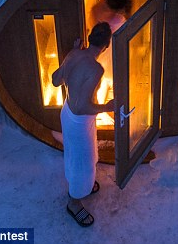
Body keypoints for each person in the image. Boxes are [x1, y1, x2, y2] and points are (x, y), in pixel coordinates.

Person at [51, 22, 115, 227]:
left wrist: (71, 55)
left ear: (89, 38)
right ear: (106, 46)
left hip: (67, 113)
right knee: (83, 163)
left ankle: (83, 185)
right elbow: (82, 106)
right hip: (78, 120)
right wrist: (107, 107)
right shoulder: (96, 69)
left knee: (76, 154)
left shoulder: (74, 54)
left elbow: (55, 80)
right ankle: (74, 202)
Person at [90, 0, 132, 107]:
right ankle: (106, 106)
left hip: (108, 44)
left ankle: (108, 105)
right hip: (108, 45)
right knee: (107, 75)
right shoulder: (104, 12)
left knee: (106, 76)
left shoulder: (103, 3)